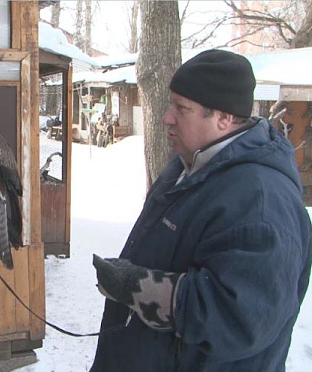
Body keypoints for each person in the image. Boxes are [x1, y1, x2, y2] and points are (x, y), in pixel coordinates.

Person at [91, 49, 312, 371]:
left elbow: (240, 318)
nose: (167, 117)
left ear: (223, 117)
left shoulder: (260, 199)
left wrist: (136, 286)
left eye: (182, 108)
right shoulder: (190, 166)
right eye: (171, 104)